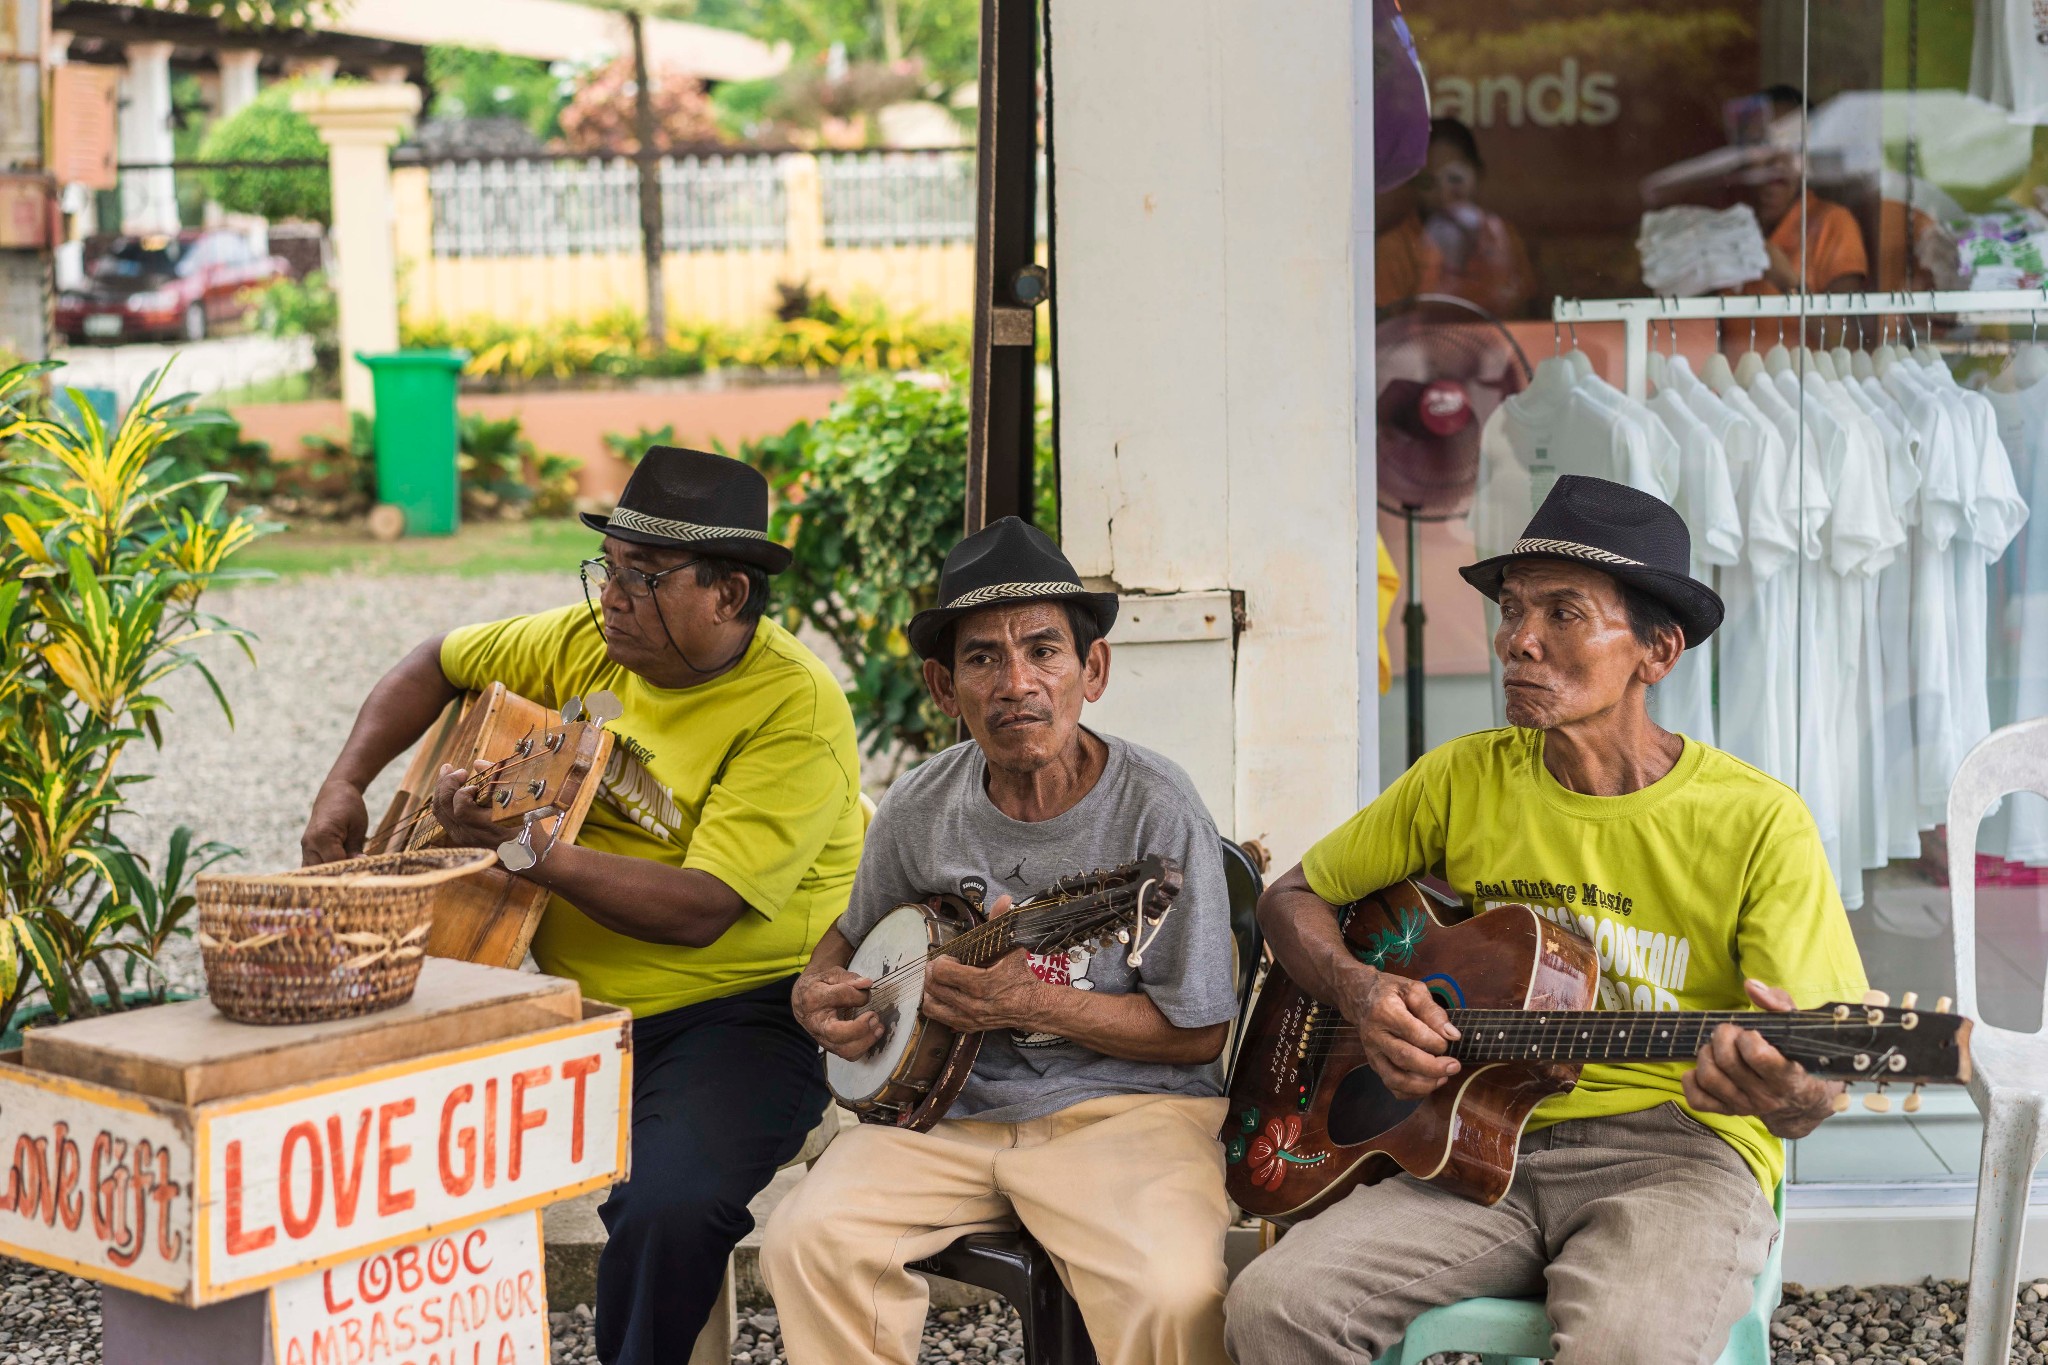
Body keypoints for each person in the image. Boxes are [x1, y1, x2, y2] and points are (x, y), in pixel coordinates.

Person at [1224, 476, 1868, 1365]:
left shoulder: (1756, 821)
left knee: (1628, 1349)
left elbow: (1818, 1084)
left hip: (1675, 1153)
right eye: (1514, 609)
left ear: (1658, 651)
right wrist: (1363, 991)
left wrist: (1790, 1094)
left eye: (1563, 613)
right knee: (1274, 1305)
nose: (1518, 640)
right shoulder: (1461, 776)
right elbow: (1287, 897)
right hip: (1476, 1137)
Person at [299, 447, 864, 1365]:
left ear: (728, 595)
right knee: (375, 1136)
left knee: (669, 1205)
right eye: (609, 567)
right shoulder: (583, 641)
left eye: (644, 577)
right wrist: (343, 782)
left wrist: (524, 851)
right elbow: (433, 660)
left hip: (745, 1013)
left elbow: (702, 907)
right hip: (567, 1003)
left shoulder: (794, 708)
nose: (613, 596)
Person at [761, 516, 1240, 1365]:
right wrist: (816, 993)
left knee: (1174, 1290)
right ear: (945, 688)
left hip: (1128, 1112)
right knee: (805, 1243)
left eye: (1044, 650)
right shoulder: (919, 804)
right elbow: (849, 936)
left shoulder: (1158, 810)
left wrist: (1032, 1003)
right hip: (947, 1113)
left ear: (1092, 670)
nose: (1018, 682)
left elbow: (1202, 1032)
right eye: (983, 657)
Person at [1376, 117, 1536, 318]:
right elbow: (1388, 334)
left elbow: (1522, 317)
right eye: (1429, 182)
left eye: (1454, 179)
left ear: (1478, 174)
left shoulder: (1502, 237)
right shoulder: (1394, 247)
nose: (1443, 195)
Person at [1735, 86, 1870, 295]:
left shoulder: (1831, 224)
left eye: (1793, 144)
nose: (1778, 159)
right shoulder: (1727, 225)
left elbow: (1846, 328)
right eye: (1763, 143)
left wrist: (1788, 282)